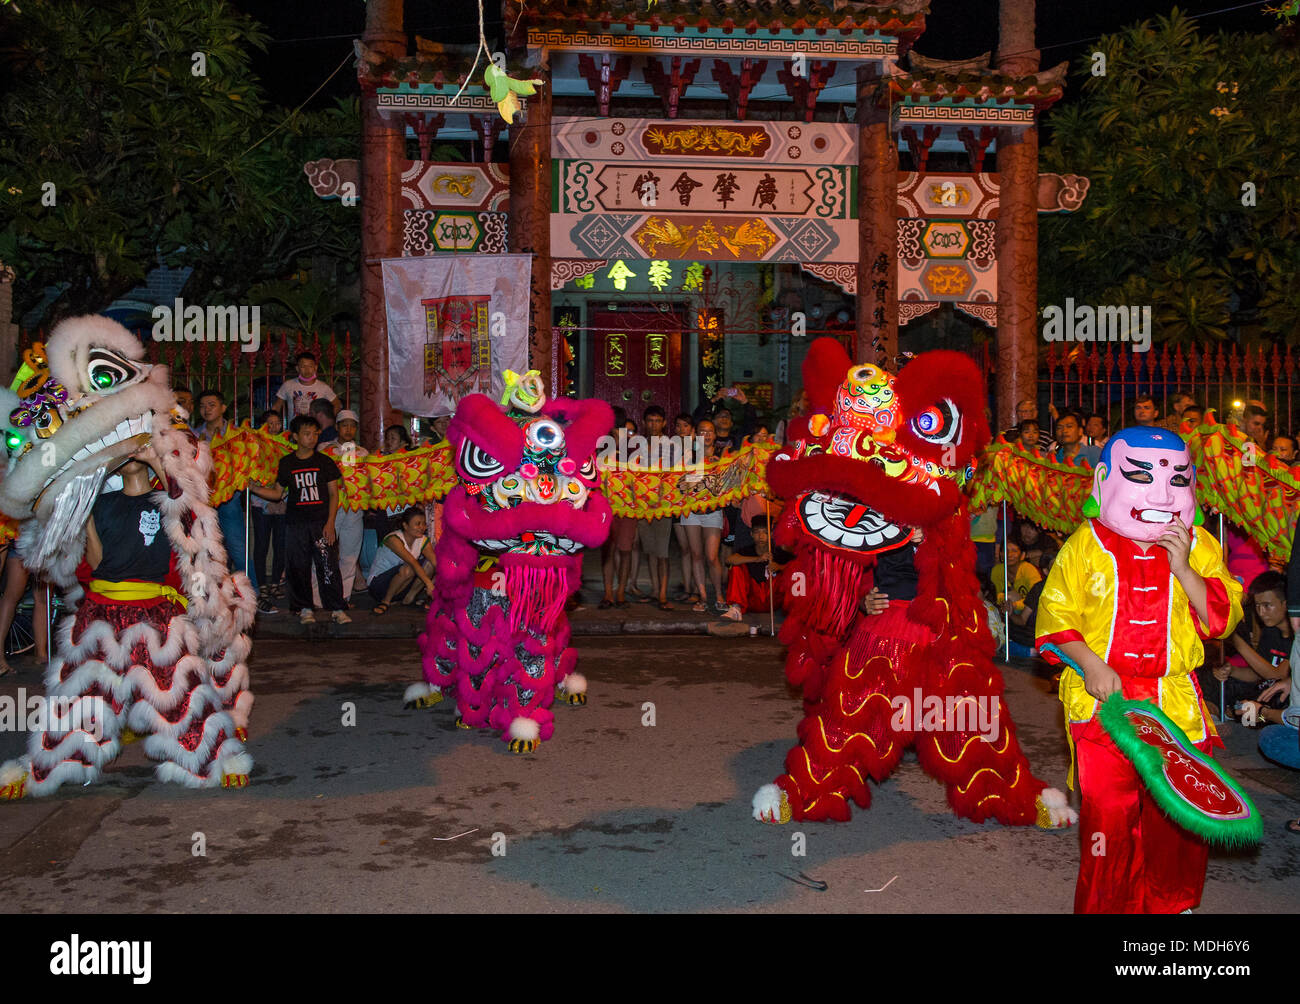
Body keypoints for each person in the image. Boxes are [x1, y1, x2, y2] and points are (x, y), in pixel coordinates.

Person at [1036, 426, 1243, 914]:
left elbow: (1222, 620)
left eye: (1176, 480)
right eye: (1141, 476)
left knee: (1179, 817)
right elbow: (1054, 618)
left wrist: (1186, 569)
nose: (1160, 493)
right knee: (1108, 814)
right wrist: (1089, 662)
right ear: (1104, 479)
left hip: (1176, 706)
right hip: (1103, 707)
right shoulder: (1084, 545)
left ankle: (1174, 905)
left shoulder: (1202, 545)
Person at [250, 415, 350, 625]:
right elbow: (278, 493)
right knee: (298, 566)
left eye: (315, 433)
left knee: (328, 565)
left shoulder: (324, 462)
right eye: (307, 433)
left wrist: (331, 522)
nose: (312, 438)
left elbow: (334, 494)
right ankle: (305, 608)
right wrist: (254, 488)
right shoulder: (287, 463)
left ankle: (337, 608)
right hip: (295, 524)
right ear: (295, 436)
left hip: (321, 524)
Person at [195, 388, 268, 610]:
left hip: (229, 500)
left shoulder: (238, 435)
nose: (207, 410)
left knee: (238, 548)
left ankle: (252, 596)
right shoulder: (194, 435)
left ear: (223, 408)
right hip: (203, 501)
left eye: (211, 405)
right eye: (203, 406)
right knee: (204, 551)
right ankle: (206, 599)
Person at [1203, 570, 1292, 723]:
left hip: (1283, 701)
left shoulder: (1295, 637)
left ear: (1285, 604)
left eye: (1267, 606)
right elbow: (1258, 674)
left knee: (1262, 705)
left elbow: (1277, 675)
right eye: (1257, 606)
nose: (1261, 612)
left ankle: (1247, 716)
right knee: (1211, 677)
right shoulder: (1270, 632)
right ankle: (1214, 716)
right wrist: (1232, 671)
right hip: (1264, 689)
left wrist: (1236, 641)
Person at [322, 410, 366, 602]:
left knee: (349, 553)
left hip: (355, 510)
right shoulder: (325, 449)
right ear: (337, 427)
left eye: (352, 425)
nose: (349, 429)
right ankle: (319, 597)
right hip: (332, 507)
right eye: (344, 425)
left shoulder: (363, 453)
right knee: (324, 552)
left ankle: (343, 598)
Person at [636, 406, 675, 611]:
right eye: (650, 420)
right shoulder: (638, 445)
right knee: (650, 551)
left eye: (658, 420)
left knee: (663, 553)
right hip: (643, 506)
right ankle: (654, 589)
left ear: (664, 423)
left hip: (663, 506)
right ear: (644, 422)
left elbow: (674, 474)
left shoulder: (670, 445)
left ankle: (662, 594)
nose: (653, 424)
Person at [368, 508, 436, 614]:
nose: (422, 528)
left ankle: (409, 597)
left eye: (424, 524)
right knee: (409, 568)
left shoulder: (423, 540)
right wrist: (429, 584)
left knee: (431, 565)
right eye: (417, 524)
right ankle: (385, 601)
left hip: (402, 586)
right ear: (405, 525)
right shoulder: (393, 539)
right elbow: (412, 562)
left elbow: (436, 563)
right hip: (379, 586)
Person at [721, 515, 790, 620]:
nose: (761, 536)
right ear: (751, 534)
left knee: (792, 572)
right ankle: (735, 609)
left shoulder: (778, 552)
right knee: (736, 568)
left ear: (771, 534)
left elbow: (798, 565)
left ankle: (794, 610)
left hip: (773, 599)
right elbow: (729, 560)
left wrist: (780, 567)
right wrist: (757, 559)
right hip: (752, 599)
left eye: (765, 532)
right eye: (757, 532)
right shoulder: (746, 551)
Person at [251, 410, 287, 600]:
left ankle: (275, 583)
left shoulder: (286, 445)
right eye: (269, 423)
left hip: (282, 501)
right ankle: (261, 584)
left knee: (280, 544)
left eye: (277, 423)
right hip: (260, 502)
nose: (274, 427)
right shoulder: (256, 445)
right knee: (262, 545)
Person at [0, 542, 50, 678]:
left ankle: (41, 654)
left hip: (45, 538)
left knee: (43, 596)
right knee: (13, 593)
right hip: (20, 538)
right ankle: (0, 658)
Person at [274, 351, 340, 419]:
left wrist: (327, 421)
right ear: (297, 368)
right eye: (303, 366)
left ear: (315, 368)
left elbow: (337, 404)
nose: (307, 369)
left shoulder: (323, 387)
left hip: (315, 429)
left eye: (310, 366)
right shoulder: (288, 385)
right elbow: (277, 406)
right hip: (294, 428)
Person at [990, 537, 1041, 613]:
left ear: (1022, 555)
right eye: (1005, 551)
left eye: (1014, 551)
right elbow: (996, 596)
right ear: (1000, 554)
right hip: (1005, 611)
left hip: (1029, 612)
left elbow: (1037, 598)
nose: (1009, 554)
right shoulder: (997, 571)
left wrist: (1014, 605)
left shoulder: (1028, 570)